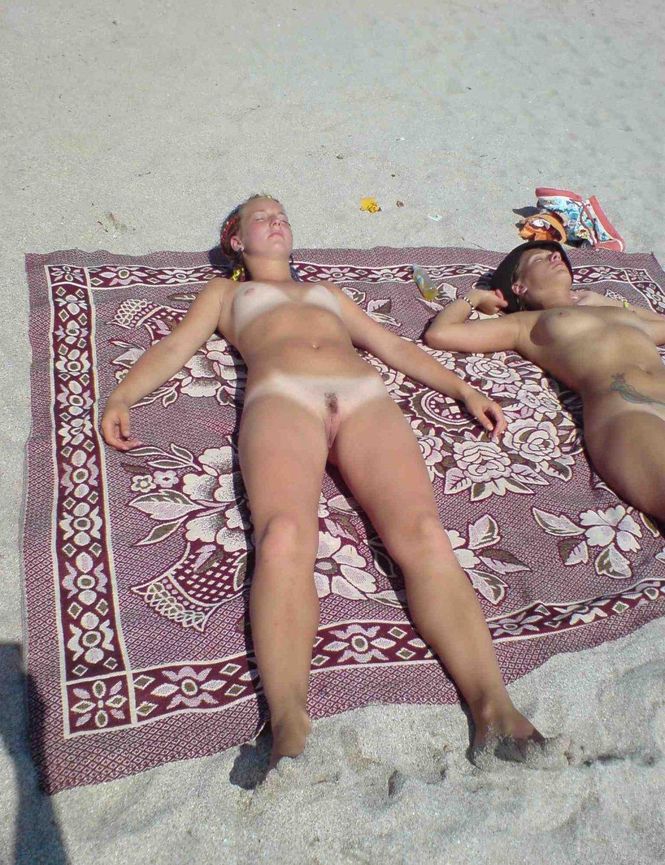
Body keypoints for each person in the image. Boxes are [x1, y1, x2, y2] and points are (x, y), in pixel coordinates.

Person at [102, 196, 549, 770]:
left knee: (423, 533)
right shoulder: (226, 294)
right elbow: (174, 346)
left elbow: (391, 346)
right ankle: (288, 721)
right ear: (235, 240)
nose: (277, 221)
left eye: (283, 215)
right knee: (283, 537)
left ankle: (494, 707)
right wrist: (123, 395)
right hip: (283, 397)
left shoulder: (328, 293)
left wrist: (462, 390)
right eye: (262, 216)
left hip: (363, 397)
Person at [425, 240, 665, 522]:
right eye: (539, 259)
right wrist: (475, 297)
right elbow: (440, 334)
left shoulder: (612, 311)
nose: (555, 257)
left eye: (556, 255)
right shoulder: (528, 323)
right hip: (631, 412)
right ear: (519, 287)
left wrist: (610, 302)